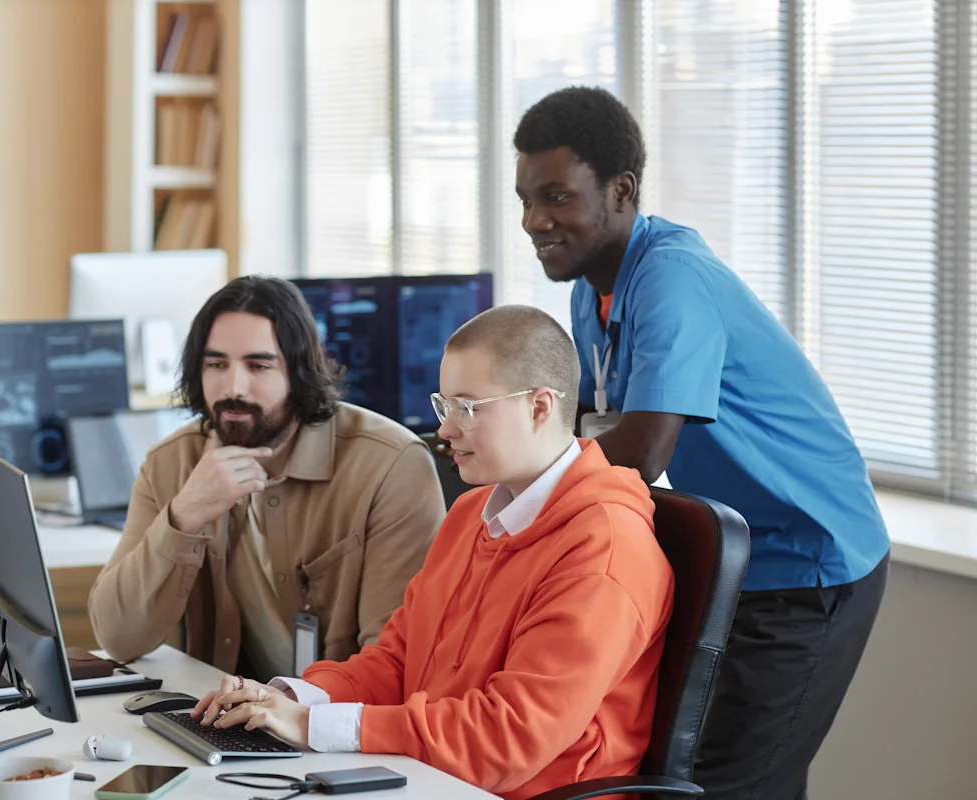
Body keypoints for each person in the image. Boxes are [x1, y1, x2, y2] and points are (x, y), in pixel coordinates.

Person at [513, 85, 891, 800]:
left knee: (733, 783)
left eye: (557, 197)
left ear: (620, 191)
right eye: (526, 198)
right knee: (715, 774)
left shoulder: (671, 279)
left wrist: (524, 481)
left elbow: (643, 452)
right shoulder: (590, 291)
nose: (536, 220)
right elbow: (592, 430)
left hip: (810, 559)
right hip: (735, 558)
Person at [192, 305, 675, 800]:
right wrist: (289, 699)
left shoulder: (604, 549)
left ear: (539, 407)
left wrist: (316, 726)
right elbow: (398, 661)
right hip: (434, 779)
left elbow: (504, 741)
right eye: (445, 406)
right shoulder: (472, 514)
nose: (444, 430)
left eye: (467, 408)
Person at [88, 276, 445, 681]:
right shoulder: (171, 463)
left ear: (298, 371)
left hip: (332, 727)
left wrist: (286, 711)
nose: (233, 386)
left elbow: (393, 662)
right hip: (223, 718)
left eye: (258, 366)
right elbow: (118, 638)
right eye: (216, 364)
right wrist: (184, 516)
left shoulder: (390, 465)